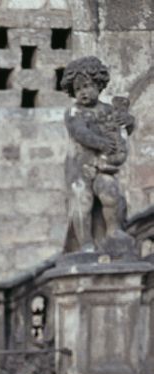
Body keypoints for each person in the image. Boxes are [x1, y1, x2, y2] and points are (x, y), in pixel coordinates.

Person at [61, 56, 135, 255]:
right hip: (80, 167)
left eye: (86, 86)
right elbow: (80, 133)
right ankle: (85, 243)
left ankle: (114, 231)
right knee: (82, 202)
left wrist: (128, 121)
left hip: (104, 165)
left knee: (110, 191)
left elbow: (124, 128)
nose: (82, 93)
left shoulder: (108, 110)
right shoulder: (74, 112)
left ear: (99, 85)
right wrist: (101, 143)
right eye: (77, 89)